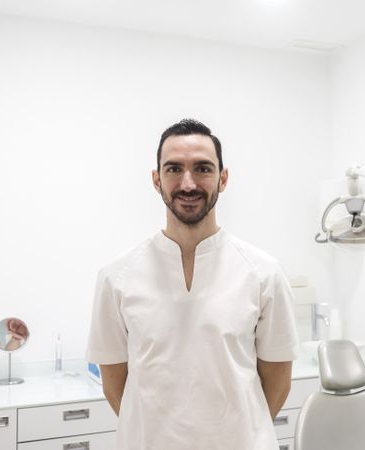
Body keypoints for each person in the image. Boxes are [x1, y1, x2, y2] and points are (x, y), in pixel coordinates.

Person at [86, 119, 299, 450]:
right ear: (156, 180)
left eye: (202, 168)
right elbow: (114, 385)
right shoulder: (117, 277)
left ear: (222, 179)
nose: (188, 183)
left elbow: (278, 381)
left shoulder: (264, 274)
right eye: (173, 169)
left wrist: (238, 433)